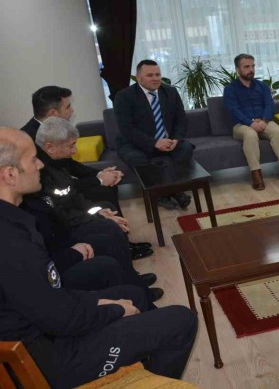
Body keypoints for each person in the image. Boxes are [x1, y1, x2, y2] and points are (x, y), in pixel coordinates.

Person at [0, 127, 197, 388]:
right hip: (48, 360)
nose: (40, 165)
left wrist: (100, 301)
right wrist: (114, 309)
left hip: (47, 330)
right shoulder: (11, 242)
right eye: (33, 159)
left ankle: (142, 360)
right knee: (182, 321)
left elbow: (49, 297)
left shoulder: (13, 222)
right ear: (10, 174)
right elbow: (59, 317)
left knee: (133, 295)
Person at [32, 117, 163, 302]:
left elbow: (73, 196)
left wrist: (98, 211)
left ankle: (131, 279)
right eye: (71, 146)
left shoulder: (57, 161)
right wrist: (97, 217)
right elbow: (63, 215)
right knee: (109, 232)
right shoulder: (41, 173)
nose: (74, 150)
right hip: (64, 231)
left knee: (110, 219)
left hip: (70, 220)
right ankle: (135, 290)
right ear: (50, 147)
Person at [21, 85, 153, 260]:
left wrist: (99, 174)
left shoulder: (53, 130)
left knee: (108, 187)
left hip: (64, 190)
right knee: (103, 191)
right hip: (53, 201)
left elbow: (70, 165)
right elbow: (54, 186)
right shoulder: (28, 141)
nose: (72, 111)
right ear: (53, 113)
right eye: (68, 106)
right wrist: (99, 180)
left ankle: (122, 241)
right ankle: (120, 244)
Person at [114, 60, 193, 209]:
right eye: (150, 75)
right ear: (138, 78)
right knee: (136, 158)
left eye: (158, 74)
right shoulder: (124, 96)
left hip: (167, 141)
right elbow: (127, 129)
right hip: (136, 143)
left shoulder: (170, 92)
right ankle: (161, 194)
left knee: (185, 148)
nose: (155, 78)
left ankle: (176, 190)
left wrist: (175, 139)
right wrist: (154, 143)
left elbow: (181, 120)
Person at [223, 54, 279, 191]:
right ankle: (256, 174)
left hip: (264, 121)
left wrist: (265, 120)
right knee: (250, 135)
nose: (251, 70)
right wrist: (250, 123)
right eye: (246, 67)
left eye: (253, 66)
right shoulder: (230, 89)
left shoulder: (262, 86)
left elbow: (269, 105)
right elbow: (233, 110)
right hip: (242, 125)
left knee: (278, 132)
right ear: (237, 69)